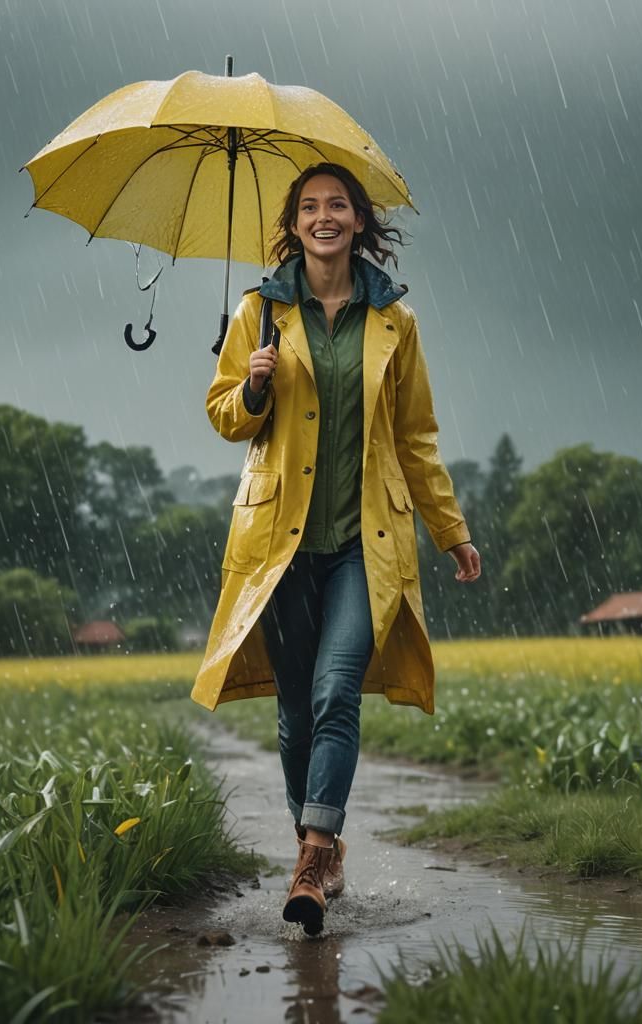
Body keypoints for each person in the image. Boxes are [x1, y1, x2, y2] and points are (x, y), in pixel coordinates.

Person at [191, 161, 481, 936]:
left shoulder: (397, 323)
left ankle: (314, 857)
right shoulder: (259, 311)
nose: (325, 217)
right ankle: (317, 844)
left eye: (338, 206)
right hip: (277, 546)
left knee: (335, 691)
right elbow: (223, 415)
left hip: (364, 542)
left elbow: (416, 437)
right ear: (293, 226)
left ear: (358, 221)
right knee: (294, 710)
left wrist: (450, 530)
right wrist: (252, 386)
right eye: (310, 207)